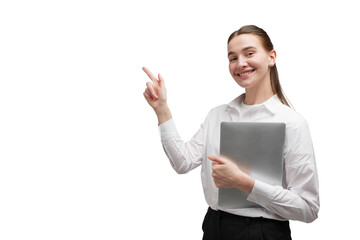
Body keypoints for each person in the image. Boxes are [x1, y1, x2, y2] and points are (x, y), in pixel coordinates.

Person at [142, 25, 319, 240]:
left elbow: (308, 209)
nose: (240, 63)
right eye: (232, 57)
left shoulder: (292, 123)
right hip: (214, 227)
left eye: (249, 53)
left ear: (271, 57)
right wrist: (161, 109)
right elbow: (183, 162)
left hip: (262, 233)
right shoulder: (217, 115)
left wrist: (244, 183)